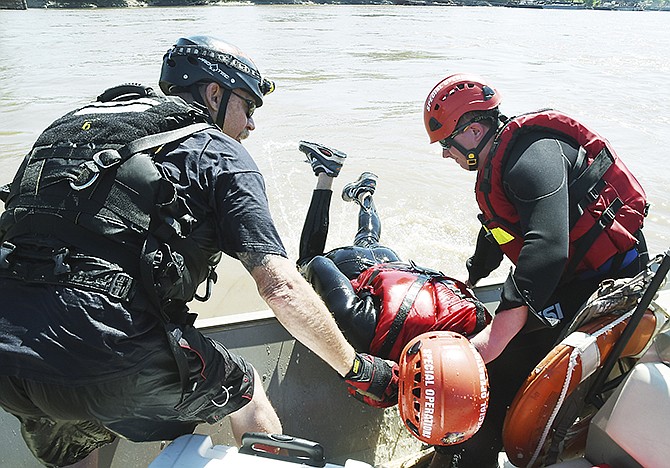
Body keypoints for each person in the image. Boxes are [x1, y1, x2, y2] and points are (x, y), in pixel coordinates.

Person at [0, 36, 396, 468]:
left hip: (10, 362)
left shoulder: (68, 127)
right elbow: (280, 287)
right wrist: (356, 367)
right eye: (248, 105)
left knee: (75, 434)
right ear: (213, 93)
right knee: (244, 390)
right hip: (112, 353)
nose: (250, 125)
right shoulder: (218, 150)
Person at [422, 73, 649, 467]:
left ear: (474, 131)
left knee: (488, 375)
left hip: (608, 281)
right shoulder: (501, 163)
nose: (445, 154)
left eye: (446, 144)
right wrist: (473, 279)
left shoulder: (532, 155)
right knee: (493, 353)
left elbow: (546, 248)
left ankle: (468, 457)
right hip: (572, 279)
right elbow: (495, 232)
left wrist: (493, 341)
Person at [297, 141, 491, 388]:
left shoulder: (472, 327)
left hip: (397, 267)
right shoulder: (361, 328)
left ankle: (365, 194)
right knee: (306, 261)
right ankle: (326, 174)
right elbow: (318, 264)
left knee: (368, 241)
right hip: (355, 265)